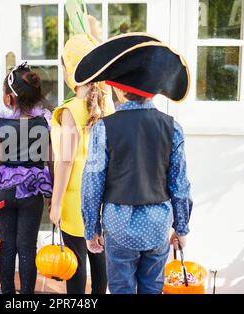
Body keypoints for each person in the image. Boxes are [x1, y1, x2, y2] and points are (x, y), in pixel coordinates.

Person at [77, 33, 193, 294]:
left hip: (118, 225)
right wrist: (181, 227)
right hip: (158, 224)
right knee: (153, 287)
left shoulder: (103, 128)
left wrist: (90, 228)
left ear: (118, 89)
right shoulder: (173, 128)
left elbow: (92, 183)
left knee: (120, 288)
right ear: (153, 91)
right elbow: (180, 183)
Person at [49, 32, 115, 294]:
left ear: (71, 70)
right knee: (100, 259)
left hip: (75, 199)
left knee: (74, 264)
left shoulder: (71, 110)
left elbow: (64, 162)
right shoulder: (107, 102)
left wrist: (55, 205)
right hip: (103, 196)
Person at [0, 62, 53, 294]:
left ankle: (8, 294)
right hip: (31, 192)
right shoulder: (44, 124)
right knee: (27, 247)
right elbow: (51, 161)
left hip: (5, 192)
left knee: (7, 246)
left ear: (9, 99)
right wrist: (52, 194)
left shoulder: (1, 126)